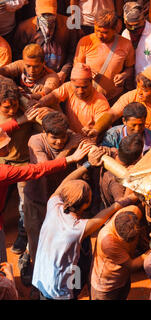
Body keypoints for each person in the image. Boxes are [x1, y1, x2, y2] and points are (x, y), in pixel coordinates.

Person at [32, 148, 141, 300]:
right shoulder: (75, 228)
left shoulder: (54, 205)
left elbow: (65, 183)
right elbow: (103, 216)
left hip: (42, 275)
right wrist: (129, 199)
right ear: (86, 204)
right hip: (58, 288)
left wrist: (88, 164)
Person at [0, 135, 91, 263]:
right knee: (2, 267)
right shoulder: (3, 172)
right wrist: (71, 158)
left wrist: (19, 121)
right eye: (3, 146)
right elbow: (35, 170)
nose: (9, 146)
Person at [20, 112, 82, 287]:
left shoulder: (72, 137)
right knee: (36, 241)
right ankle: (37, 282)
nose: (59, 141)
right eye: (54, 138)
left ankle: (62, 281)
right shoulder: (35, 141)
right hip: (37, 199)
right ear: (45, 133)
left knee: (63, 242)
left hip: (61, 201)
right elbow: (46, 168)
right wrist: (69, 149)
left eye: (63, 137)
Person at [0, 77, 37, 256]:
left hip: (22, 163)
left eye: (14, 105)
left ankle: (22, 235)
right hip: (1, 164)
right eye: (6, 107)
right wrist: (22, 119)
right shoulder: (23, 115)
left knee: (24, 204)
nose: (12, 110)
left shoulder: (25, 108)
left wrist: (26, 103)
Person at [74, 9, 135, 103]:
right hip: (89, 99)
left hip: (114, 99)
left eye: (105, 32)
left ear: (115, 29)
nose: (99, 35)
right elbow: (76, 68)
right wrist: (86, 72)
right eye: (97, 30)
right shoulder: (85, 42)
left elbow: (130, 68)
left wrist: (124, 75)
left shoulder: (126, 45)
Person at [34, 62, 111, 135]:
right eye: (77, 87)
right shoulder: (68, 86)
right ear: (71, 82)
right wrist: (40, 103)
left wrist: (94, 130)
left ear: (91, 83)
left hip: (87, 142)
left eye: (84, 87)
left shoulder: (100, 101)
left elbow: (103, 121)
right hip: (69, 134)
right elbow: (54, 96)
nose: (80, 91)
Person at [90, 205, 149, 300]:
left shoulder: (134, 211)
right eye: (126, 240)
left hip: (122, 278)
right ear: (116, 231)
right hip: (107, 286)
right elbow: (131, 265)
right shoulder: (108, 242)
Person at [13, 0, 78, 83]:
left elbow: (73, 52)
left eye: (50, 14)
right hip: (33, 77)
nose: (47, 18)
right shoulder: (25, 28)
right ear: (36, 11)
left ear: (56, 11)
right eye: (43, 15)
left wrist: (64, 72)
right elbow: (17, 54)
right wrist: (27, 71)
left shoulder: (68, 26)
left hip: (60, 76)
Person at [100, 134, 144, 208]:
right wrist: (130, 181)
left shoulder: (111, 153)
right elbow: (122, 205)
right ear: (137, 159)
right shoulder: (117, 183)